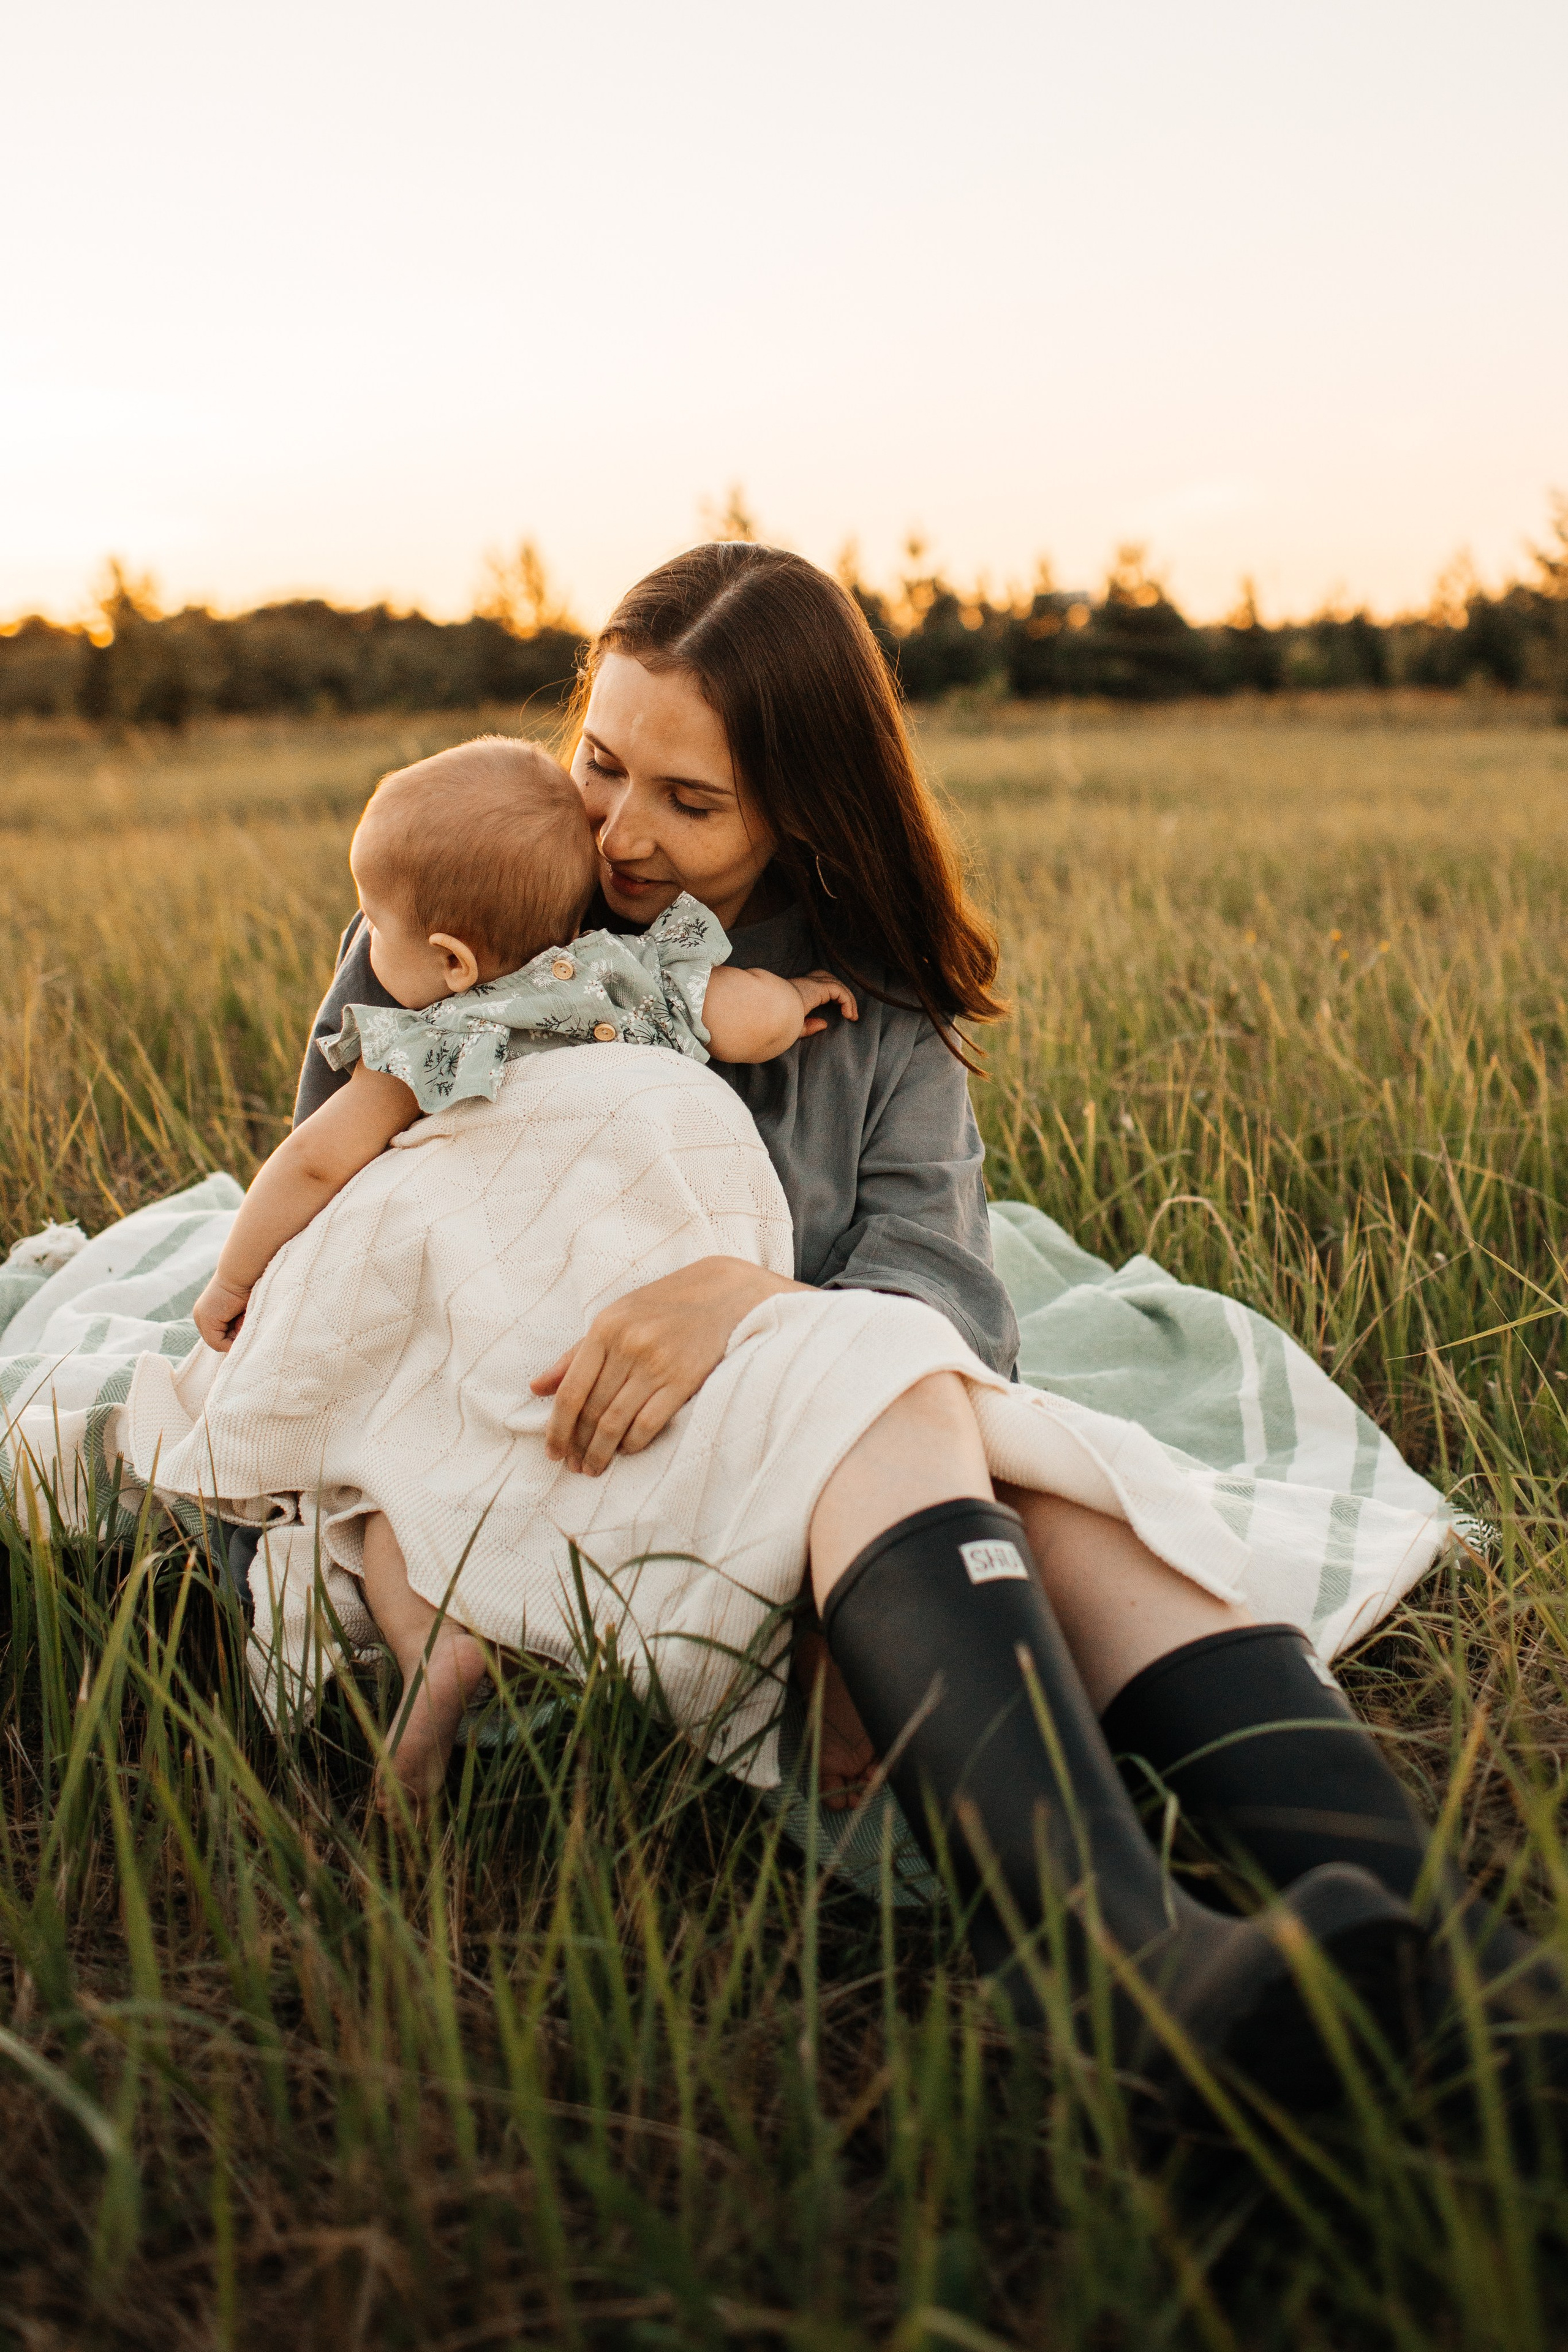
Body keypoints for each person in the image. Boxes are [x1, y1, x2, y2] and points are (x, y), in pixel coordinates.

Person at [273, 541, 1558, 2110]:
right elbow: (352, 1227)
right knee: (913, 1392)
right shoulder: (479, 906)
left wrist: (743, 1301)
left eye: (692, 801)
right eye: (601, 762)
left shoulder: (861, 999)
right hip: (527, 1425)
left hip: (802, 1434)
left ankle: (1435, 1944)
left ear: (799, 808)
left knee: (1033, 1473)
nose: (617, 831)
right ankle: (1114, 1961)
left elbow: (943, 1286)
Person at [192, 729, 854, 1797]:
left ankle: (433, 1649)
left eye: (388, 935)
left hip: (497, 1285)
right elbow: (747, 1017)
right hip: (636, 1283)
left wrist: (234, 1280)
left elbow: (316, 1161)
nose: (376, 956)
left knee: (407, 1459)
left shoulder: (444, 1030)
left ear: (451, 959)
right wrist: (807, 999)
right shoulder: (641, 973)